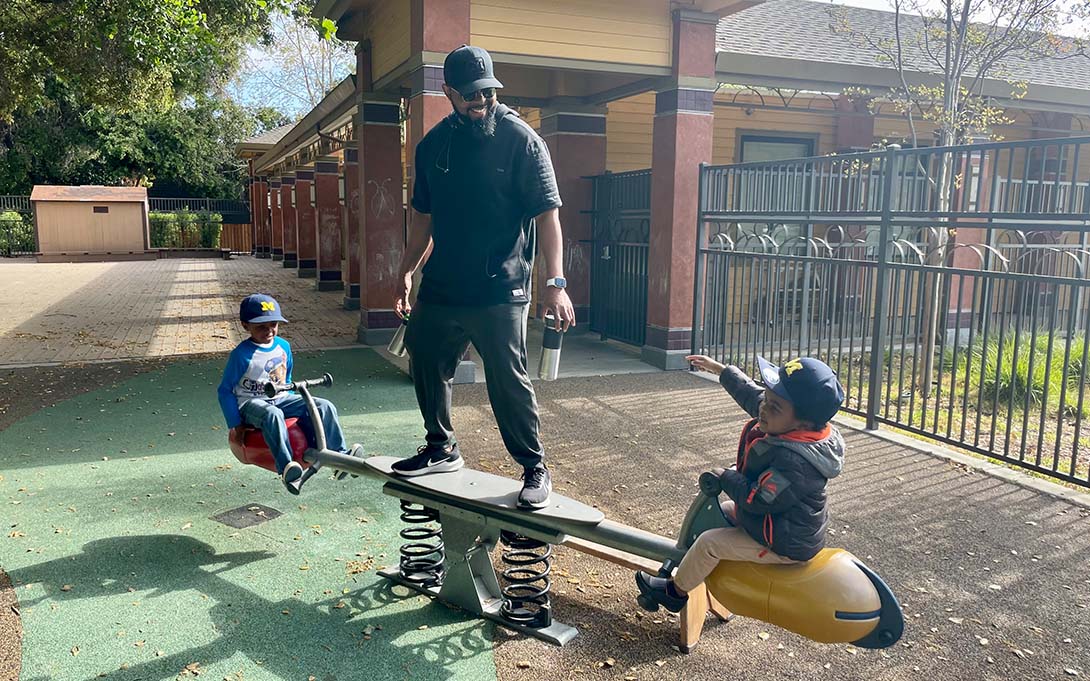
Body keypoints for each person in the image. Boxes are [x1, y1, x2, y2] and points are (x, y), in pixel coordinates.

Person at [390, 45, 574, 509]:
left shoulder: (522, 140)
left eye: (488, 92)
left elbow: (548, 216)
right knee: (424, 352)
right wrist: (406, 272)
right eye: (470, 94)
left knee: (506, 378)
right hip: (446, 281)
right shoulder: (433, 147)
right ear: (449, 92)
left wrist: (555, 282)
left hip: (501, 286)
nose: (482, 101)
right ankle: (441, 447)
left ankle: (534, 466)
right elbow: (423, 222)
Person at [635, 355, 846, 612]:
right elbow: (750, 394)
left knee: (709, 543)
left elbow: (758, 499)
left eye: (774, 405)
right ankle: (691, 566)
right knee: (719, 513)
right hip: (773, 523)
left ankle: (674, 592)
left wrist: (726, 476)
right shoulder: (785, 421)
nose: (764, 408)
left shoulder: (796, 463)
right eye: (767, 398)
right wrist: (721, 370)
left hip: (783, 542)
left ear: (802, 423)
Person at [217, 294, 362, 494]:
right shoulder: (242, 355)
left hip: (281, 397)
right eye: (261, 327)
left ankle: (339, 456)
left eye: (273, 325)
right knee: (272, 414)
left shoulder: (283, 346)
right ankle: (286, 466)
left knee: (323, 405)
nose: (269, 331)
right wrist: (236, 423)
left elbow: (287, 376)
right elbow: (225, 390)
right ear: (245, 325)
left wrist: (297, 402)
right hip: (251, 403)